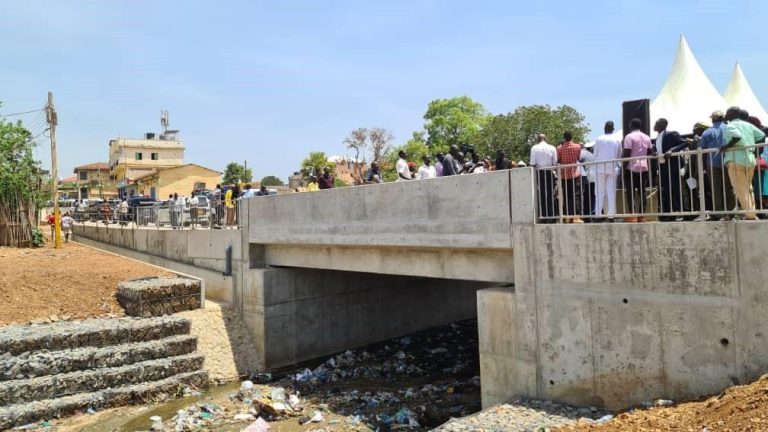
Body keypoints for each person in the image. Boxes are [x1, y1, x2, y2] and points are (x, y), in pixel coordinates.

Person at [721, 106, 766, 220]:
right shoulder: (748, 125)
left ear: (731, 115)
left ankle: (750, 215)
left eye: (727, 113)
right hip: (750, 158)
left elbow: (737, 136)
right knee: (748, 187)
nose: (726, 115)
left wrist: (726, 147)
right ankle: (752, 212)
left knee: (740, 188)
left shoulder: (730, 125)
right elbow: (761, 135)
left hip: (736, 159)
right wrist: (750, 144)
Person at [700, 111, 734, 220]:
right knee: (729, 188)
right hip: (728, 162)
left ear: (713, 119)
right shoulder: (730, 128)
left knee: (716, 189)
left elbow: (702, 149)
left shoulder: (707, 132)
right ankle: (731, 212)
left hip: (712, 163)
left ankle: (718, 213)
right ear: (723, 118)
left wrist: (702, 167)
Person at [654, 118, 689, 220]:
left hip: (672, 166)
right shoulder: (657, 137)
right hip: (662, 167)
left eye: (657, 123)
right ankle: (669, 213)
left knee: (675, 189)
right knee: (666, 191)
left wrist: (672, 150)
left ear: (662, 125)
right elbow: (660, 149)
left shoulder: (672, 134)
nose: (654, 125)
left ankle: (679, 212)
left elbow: (685, 143)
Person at [623, 118, 653, 222]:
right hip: (644, 167)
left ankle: (632, 215)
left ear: (631, 125)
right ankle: (641, 216)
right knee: (642, 192)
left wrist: (623, 168)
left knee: (630, 192)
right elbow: (650, 152)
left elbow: (627, 153)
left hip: (631, 167)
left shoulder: (629, 137)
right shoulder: (647, 137)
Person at [592, 121, 622, 219]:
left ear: (604, 128)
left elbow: (595, 155)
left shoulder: (599, 139)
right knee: (611, 192)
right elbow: (619, 155)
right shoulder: (617, 139)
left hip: (600, 168)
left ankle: (598, 215)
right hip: (613, 168)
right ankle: (611, 215)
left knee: (599, 193)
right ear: (613, 129)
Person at [557, 131, 583, 223]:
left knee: (566, 196)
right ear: (572, 137)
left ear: (564, 138)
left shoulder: (559, 148)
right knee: (574, 195)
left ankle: (567, 215)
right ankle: (575, 215)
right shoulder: (577, 146)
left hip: (564, 175)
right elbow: (578, 158)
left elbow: (558, 160)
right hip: (574, 174)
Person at [530, 134, 558, 221]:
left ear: (538, 139)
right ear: (545, 139)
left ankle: (543, 216)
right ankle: (551, 215)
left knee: (541, 195)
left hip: (539, 172)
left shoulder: (534, 148)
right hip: (549, 172)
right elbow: (555, 162)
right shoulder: (552, 147)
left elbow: (532, 162)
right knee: (550, 194)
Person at [580, 142, 596, 220]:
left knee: (586, 197)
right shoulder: (591, 154)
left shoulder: (581, 154)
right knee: (592, 196)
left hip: (586, 177)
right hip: (594, 177)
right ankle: (592, 214)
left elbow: (580, 166)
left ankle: (587, 215)